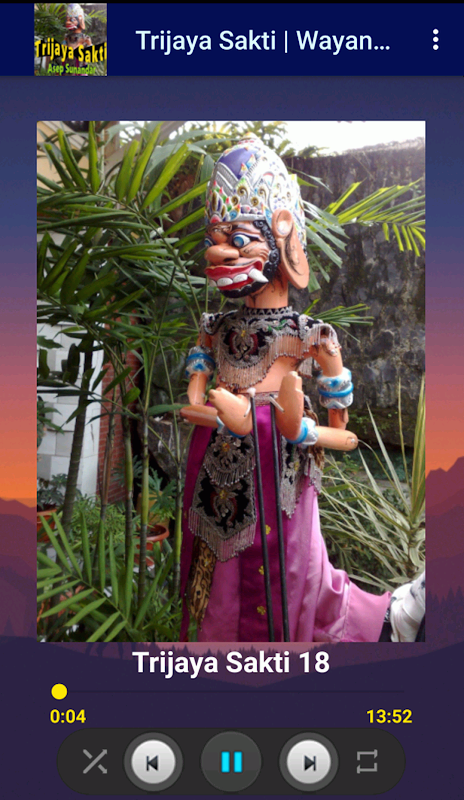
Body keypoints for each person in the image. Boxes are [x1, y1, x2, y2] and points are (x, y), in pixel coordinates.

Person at [179, 134, 396, 642]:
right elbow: (192, 404)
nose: (217, 250)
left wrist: (297, 430)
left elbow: (345, 436)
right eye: (215, 236)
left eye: (237, 239)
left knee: (289, 576)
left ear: (282, 235)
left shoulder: (314, 337)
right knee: (217, 590)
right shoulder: (213, 328)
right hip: (217, 477)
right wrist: (224, 416)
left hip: (282, 476)